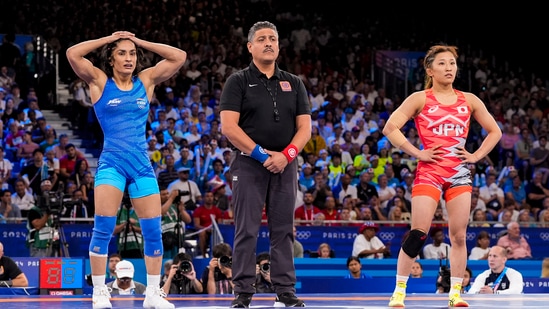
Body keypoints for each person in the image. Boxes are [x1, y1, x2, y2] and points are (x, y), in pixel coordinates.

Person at [66, 30, 186, 309]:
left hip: (141, 165)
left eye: (132, 54)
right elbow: (73, 53)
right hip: (112, 164)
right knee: (104, 228)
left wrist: (139, 42)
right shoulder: (99, 82)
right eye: (122, 53)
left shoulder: (145, 81)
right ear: (111, 59)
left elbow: (179, 57)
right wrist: (109, 39)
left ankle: (153, 294)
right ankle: (98, 292)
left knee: (154, 231)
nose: (129, 58)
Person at [383, 45, 501, 307]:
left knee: (459, 237)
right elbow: (390, 127)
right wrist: (417, 153)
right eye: (442, 64)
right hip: (430, 172)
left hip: (459, 173)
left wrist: (475, 156)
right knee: (418, 233)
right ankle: (399, 290)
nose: (449, 68)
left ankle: (455, 294)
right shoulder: (419, 98)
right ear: (430, 70)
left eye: (452, 63)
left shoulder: (469, 99)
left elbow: (495, 132)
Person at [219, 21, 311, 308]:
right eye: (262, 39)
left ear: (279, 46)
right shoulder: (238, 81)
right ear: (250, 46)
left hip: (286, 165)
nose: (268, 42)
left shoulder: (294, 82)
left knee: (283, 230)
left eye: (273, 38)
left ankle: (285, 291)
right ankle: (243, 292)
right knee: (246, 228)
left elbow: (305, 128)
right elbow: (229, 127)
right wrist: (263, 155)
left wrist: (287, 155)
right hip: (249, 164)